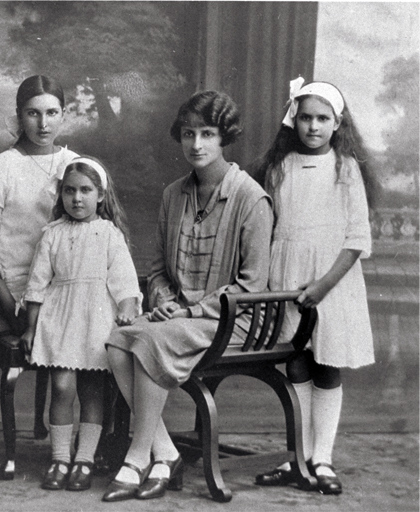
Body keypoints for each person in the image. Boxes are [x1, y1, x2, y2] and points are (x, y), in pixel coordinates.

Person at [103, 91, 274, 502]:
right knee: (114, 340)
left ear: (224, 137)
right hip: (180, 317)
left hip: (230, 320)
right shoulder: (173, 195)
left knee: (149, 340)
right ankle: (164, 454)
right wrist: (162, 297)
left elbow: (252, 284)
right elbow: (160, 269)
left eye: (207, 134)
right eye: (188, 134)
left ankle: (137, 456)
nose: (196, 144)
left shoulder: (251, 199)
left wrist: (189, 308)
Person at [254, 78, 375, 495]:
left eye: (322, 119)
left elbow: (357, 238)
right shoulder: (278, 167)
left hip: (331, 281)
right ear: (293, 119)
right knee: (296, 362)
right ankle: (298, 458)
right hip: (287, 278)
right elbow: (266, 229)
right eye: (305, 117)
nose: (313, 126)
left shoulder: (345, 169)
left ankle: (322, 458)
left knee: (326, 363)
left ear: (337, 123)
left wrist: (324, 285)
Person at [0, 75, 79, 448]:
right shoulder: (0, 168)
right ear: (19, 116)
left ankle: (100, 444)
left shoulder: (76, 166)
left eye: (51, 113)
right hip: (17, 294)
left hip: (68, 289)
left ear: (64, 115)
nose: (43, 124)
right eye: (33, 113)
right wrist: (6, 301)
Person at [19, 157, 142, 492]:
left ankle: (84, 458)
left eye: (86, 190)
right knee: (62, 387)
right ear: (61, 195)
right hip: (59, 318)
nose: (77, 198)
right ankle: (60, 457)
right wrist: (30, 328)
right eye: (70, 191)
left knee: (92, 391)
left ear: (100, 195)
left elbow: (125, 282)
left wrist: (128, 308)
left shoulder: (109, 233)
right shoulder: (52, 235)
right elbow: (37, 284)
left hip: (96, 319)